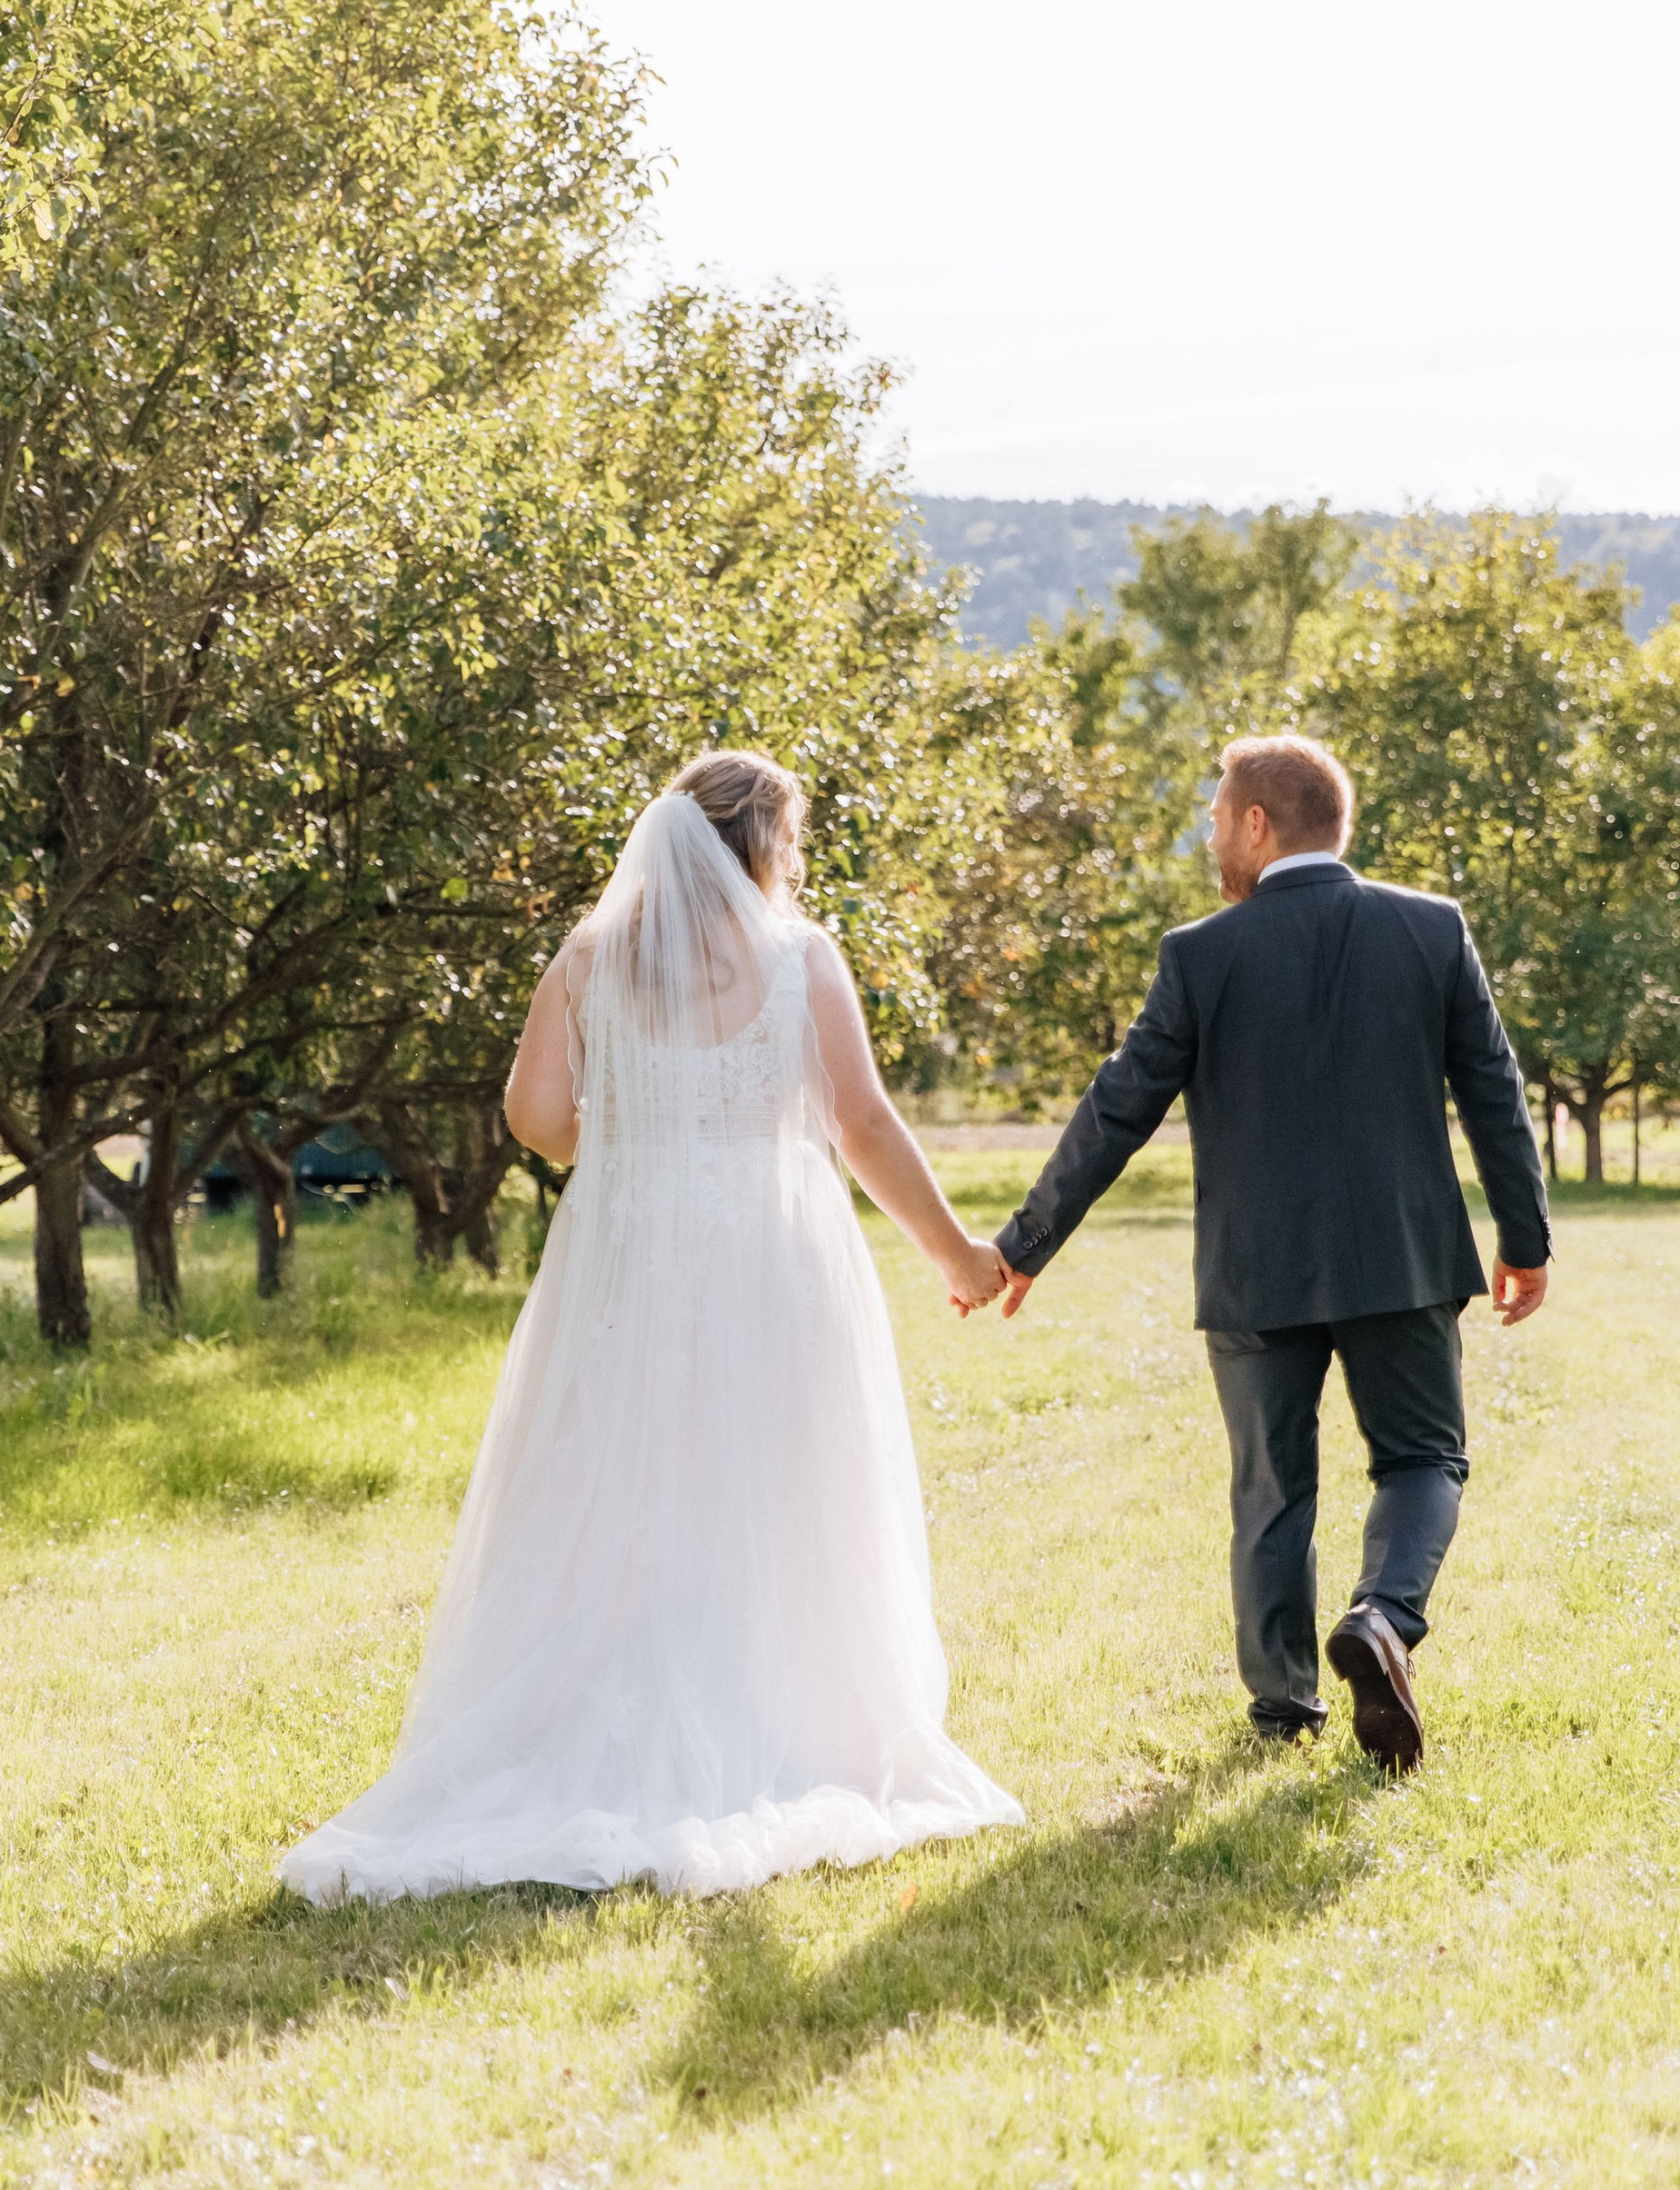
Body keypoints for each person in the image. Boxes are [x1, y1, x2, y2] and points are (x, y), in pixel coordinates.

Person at [280, 751, 1022, 1904]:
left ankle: (590, 1709)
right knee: (775, 1479)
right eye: (795, 838)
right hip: (771, 1252)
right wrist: (958, 1256)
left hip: (625, 1246)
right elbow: (863, 1123)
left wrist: (633, 1132)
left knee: (614, 1477)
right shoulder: (800, 957)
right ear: (764, 845)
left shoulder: (588, 959)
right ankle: (786, 1714)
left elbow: (536, 1118)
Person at [992, 735, 1550, 1774]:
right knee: (1424, 1459)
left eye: (1216, 813)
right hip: (1403, 1258)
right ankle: (1383, 1615)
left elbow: (1118, 1108)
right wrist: (1525, 1239)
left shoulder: (1200, 954)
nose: (1210, 832)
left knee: (1270, 1486)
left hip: (1256, 1269)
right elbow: (1493, 1091)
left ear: (1258, 822)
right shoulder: (1431, 930)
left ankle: (1283, 1709)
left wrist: (1026, 1243)